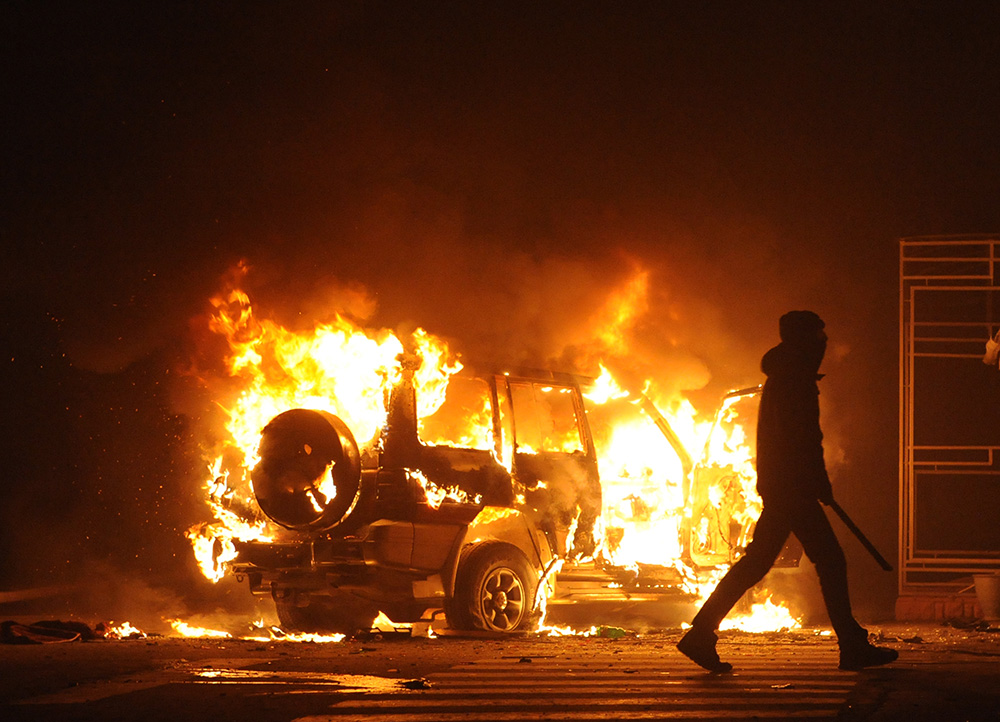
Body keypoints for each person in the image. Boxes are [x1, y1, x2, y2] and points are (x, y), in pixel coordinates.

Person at [677, 311, 898, 672]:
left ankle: (700, 633)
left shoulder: (786, 375)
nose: (824, 342)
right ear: (803, 340)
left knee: (759, 562)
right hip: (793, 487)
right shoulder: (794, 379)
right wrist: (817, 481)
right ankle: (852, 645)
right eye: (819, 335)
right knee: (829, 560)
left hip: (785, 485)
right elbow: (803, 438)